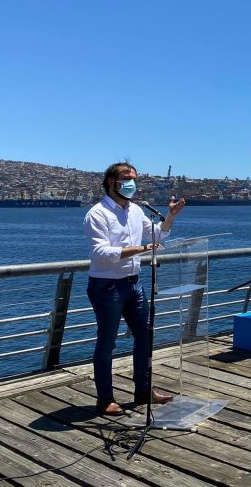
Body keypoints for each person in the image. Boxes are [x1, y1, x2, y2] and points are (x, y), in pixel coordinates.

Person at [83, 162, 186, 416]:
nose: (132, 183)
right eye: (126, 178)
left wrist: (170, 216)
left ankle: (143, 389)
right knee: (107, 343)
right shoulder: (97, 214)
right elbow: (102, 253)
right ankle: (104, 398)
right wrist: (141, 249)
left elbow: (157, 236)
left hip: (134, 283)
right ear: (111, 182)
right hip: (107, 286)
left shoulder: (136, 211)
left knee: (145, 336)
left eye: (134, 179)